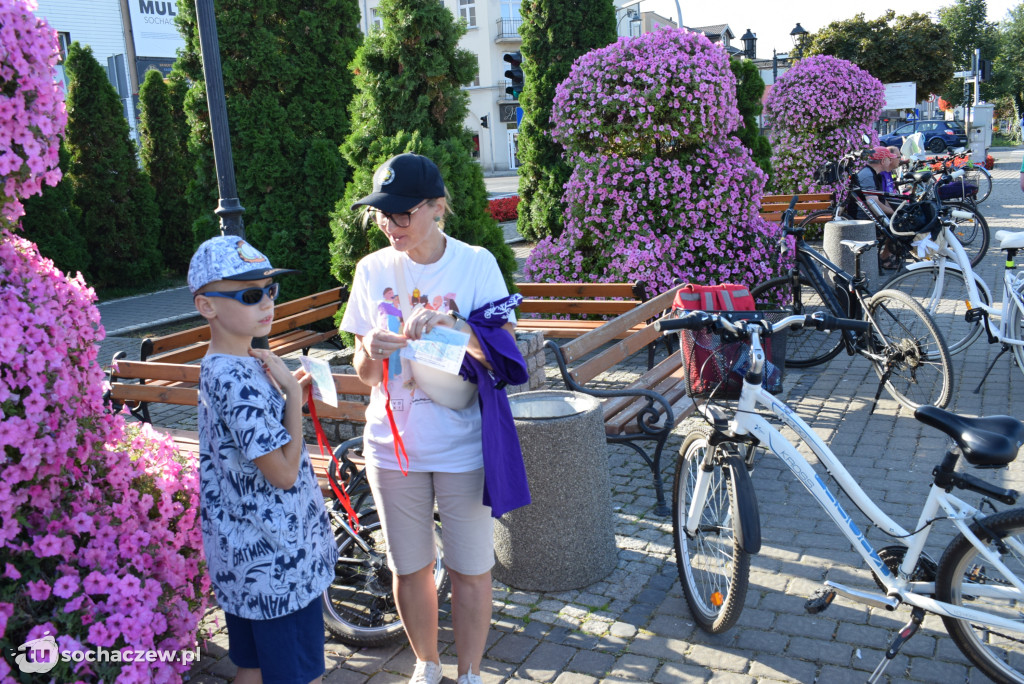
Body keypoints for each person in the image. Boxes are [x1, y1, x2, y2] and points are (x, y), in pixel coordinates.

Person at [340, 153, 523, 684]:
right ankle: (426, 663)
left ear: (436, 207)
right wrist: (370, 349)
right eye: (381, 214)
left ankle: (468, 673)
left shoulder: (475, 263)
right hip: (391, 444)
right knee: (408, 566)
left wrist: (456, 326)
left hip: (462, 442)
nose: (389, 225)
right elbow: (365, 374)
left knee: (471, 568)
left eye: (401, 214)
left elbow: (506, 357)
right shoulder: (371, 270)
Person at [189, 235, 336, 684]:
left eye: (270, 290)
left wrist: (285, 390)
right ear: (207, 306)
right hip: (277, 564)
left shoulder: (231, 362)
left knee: (252, 669)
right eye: (250, 295)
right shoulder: (238, 378)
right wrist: (292, 395)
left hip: (245, 559)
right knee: (294, 674)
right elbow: (284, 474)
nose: (266, 303)